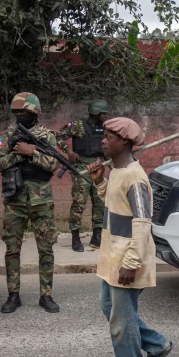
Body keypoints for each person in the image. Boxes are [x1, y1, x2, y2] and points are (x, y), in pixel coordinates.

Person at [86, 117, 174, 357]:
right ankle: (157, 345)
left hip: (127, 259)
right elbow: (115, 207)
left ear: (124, 142)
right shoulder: (117, 172)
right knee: (109, 307)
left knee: (122, 318)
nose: (103, 140)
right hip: (114, 256)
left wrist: (131, 262)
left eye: (109, 137)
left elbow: (141, 221)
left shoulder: (135, 177)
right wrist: (100, 182)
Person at [0, 92, 61, 314]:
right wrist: (18, 154)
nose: (19, 115)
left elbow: (54, 164)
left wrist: (32, 152)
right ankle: (13, 295)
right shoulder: (8, 135)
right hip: (15, 199)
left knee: (46, 248)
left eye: (23, 111)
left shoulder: (47, 136)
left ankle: (46, 295)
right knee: (12, 249)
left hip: (42, 199)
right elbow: (0, 164)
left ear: (34, 112)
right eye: (16, 112)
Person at [57, 100, 108, 252]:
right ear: (96, 114)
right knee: (79, 203)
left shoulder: (106, 128)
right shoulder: (77, 125)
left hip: (99, 166)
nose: (106, 116)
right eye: (103, 113)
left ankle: (97, 236)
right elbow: (58, 136)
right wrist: (69, 152)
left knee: (100, 203)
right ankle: (75, 237)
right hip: (81, 168)